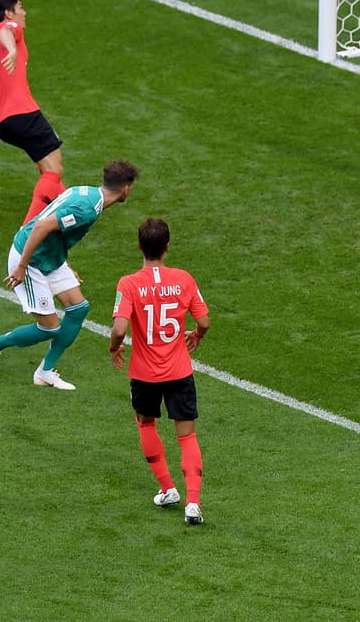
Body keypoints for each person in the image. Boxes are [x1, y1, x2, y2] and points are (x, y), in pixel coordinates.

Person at [0, 159, 138, 390]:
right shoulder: (87, 209)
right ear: (126, 187)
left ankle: (44, 372)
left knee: (78, 308)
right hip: (31, 259)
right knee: (50, 327)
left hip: (50, 258)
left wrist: (64, 261)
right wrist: (22, 266)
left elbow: (57, 231)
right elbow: (41, 226)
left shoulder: (87, 193)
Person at [109, 218, 211, 526]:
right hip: (179, 371)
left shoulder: (128, 283)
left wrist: (115, 347)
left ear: (139, 245)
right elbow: (204, 322)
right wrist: (197, 335)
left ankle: (168, 488)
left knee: (145, 423)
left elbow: (118, 328)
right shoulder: (183, 279)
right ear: (167, 247)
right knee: (187, 434)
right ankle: (193, 503)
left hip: (144, 374)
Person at [0, 0, 66, 224]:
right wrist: (12, 50)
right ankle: (30, 226)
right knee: (55, 167)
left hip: (1, 123)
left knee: (45, 165)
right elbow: (5, 30)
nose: (24, 12)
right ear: (8, 13)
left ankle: (64, 206)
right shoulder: (9, 28)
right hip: (22, 112)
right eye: (20, 7)